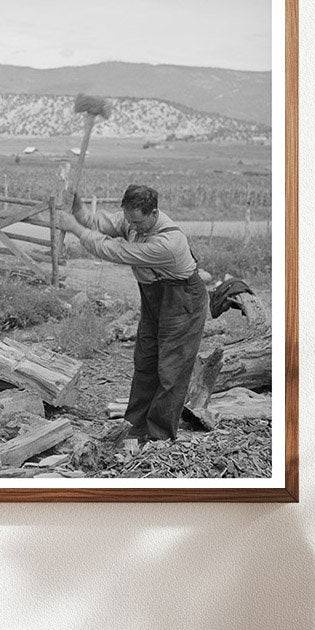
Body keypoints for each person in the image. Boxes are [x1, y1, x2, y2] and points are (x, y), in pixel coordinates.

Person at [55, 184, 208, 443]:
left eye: (137, 222)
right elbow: (100, 223)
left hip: (182, 299)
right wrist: (78, 210)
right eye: (128, 220)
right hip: (154, 297)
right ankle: (134, 428)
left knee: (171, 368)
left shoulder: (168, 243)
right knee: (146, 359)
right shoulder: (132, 218)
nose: (132, 227)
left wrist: (74, 228)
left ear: (153, 213)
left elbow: (115, 250)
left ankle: (159, 437)